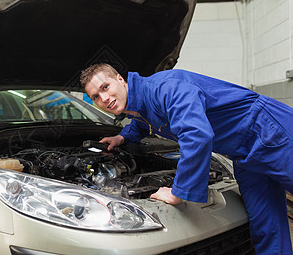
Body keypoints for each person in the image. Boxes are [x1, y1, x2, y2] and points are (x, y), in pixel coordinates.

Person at [80, 63, 293, 255]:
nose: (104, 98)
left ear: (120, 79)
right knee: (267, 226)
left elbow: (197, 135)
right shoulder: (140, 104)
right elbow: (145, 122)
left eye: (105, 87)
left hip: (271, 130)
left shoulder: (166, 87)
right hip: (243, 153)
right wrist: (121, 137)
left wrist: (178, 191)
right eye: (96, 96)